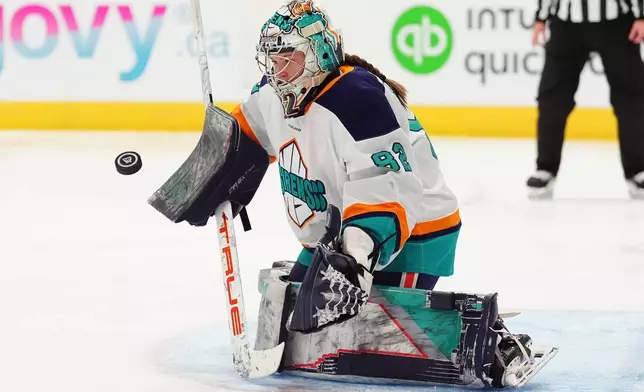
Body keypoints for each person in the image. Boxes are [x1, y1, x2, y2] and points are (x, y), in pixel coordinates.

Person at [230, 0, 462, 325]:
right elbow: (243, 137)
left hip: (412, 231)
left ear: (319, 54)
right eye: (274, 60)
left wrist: (355, 258)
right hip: (337, 233)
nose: (279, 71)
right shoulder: (271, 94)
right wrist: (213, 172)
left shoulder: (358, 98)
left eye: (290, 59)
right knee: (294, 316)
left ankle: (494, 345)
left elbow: (383, 186)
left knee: (365, 332)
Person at [527, 0, 644, 200]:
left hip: (616, 22)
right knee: (552, 97)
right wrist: (541, 17)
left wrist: (641, 16)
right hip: (567, 23)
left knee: (631, 97)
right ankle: (545, 168)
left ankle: (638, 170)